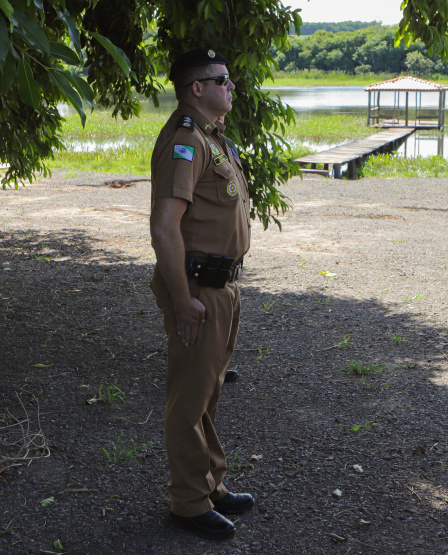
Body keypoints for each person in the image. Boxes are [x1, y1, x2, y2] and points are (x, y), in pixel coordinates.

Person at [149, 48, 253, 540]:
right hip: (198, 288)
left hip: (222, 285)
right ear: (198, 88)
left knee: (208, 392)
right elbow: (165, 229)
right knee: (189, 401)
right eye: (223, 80)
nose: (231, 87)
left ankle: (210, 484)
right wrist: (182, 299)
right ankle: (188, 502)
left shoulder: (212, 139)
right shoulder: (184, 142)